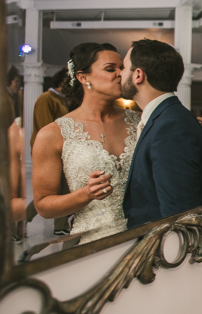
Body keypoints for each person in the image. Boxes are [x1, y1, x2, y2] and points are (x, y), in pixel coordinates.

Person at [32, 43, 139, 245]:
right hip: (90, 244)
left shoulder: (140, 122)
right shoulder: (53, 134)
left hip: (143, 239)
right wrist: (85, 194)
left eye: (122, 68)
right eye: (110, 69)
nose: (120, 74)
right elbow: (43, 206)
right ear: (83, 77)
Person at [122, 39, 202, 229]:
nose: (119, 74)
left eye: (124, 67)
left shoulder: (171, 126)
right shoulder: (164, 117)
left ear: (138, 75)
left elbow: (178, 213)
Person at [27, 68, 72, 235]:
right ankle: (23, 218)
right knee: (54, 191)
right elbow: (46, 127)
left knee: (63, 188)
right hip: (48, 151)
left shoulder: (60, 99)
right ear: (61, 83)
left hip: (60, 150)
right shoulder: (46, 99)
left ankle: (60, 226)